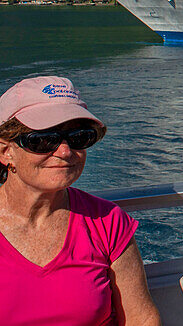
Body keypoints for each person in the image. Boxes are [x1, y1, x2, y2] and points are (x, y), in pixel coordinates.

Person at [0, 76, 161, 326]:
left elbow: (141, 319)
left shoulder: (108, 221)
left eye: (79, 137)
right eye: (43, 140)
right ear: (6, 151)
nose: (65, 152)